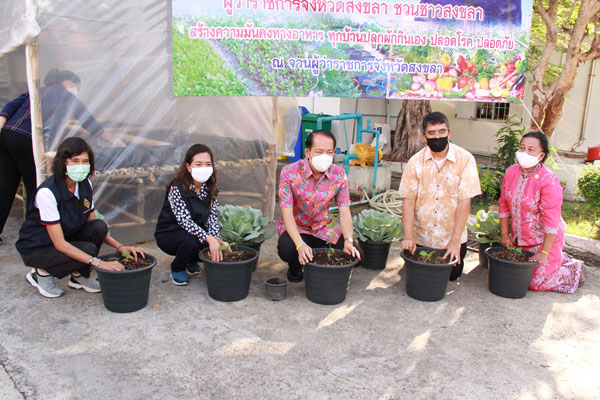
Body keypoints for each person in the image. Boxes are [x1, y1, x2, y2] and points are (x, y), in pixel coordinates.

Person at [16, 137, 145, 298]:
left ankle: (79, 276)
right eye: (75, 161)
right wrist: (99, 263)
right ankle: (41, 272)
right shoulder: (47, 193)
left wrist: (120, 247)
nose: (81, 166)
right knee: (88, 250)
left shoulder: (85, 185)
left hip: (66, 235)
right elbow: (59, 243)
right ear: (63, 163)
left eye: (85, 161)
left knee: (99, 226)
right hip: (38, 246)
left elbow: (92, 221)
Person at [0, 69, 105, 244]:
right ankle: (36, 232)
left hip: (6, 136)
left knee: (6, 186)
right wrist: (110, 137)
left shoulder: (35, 91)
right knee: (35, 186)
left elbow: (9, 108)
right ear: (66, 83)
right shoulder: (64, 94)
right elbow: (89, 121)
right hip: (26, 139)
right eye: (75, 86)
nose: (75, 90)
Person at [399, 111, 482, 280]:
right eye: (432, 133)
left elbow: (465, 202)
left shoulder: (465, 159)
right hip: (421, 237)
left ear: (449, 133)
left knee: (452, 276)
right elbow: (408, 201)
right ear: (424, 136)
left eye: (442, 132)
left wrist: (455, 241)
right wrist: (408, 237)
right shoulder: (415, 162)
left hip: (450, 238)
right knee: (420, 277)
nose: (437, 136)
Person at [499, 131, 583, 293]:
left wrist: (544, 251)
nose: (524, 153)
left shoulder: (548, 179)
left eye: (531, 149)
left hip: (544, 241)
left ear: (541, 155)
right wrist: (505, 234)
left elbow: (552, 220)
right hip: (521, 240)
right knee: (514, 277)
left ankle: (573, 271)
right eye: (522, 148)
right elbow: (503, 205)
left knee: (534, 283)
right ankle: (560, 258)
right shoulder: (511, 172)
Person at [277, 130, 361, 282]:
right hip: (297, 228)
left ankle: (316, 263)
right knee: (287, 249)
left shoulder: (338, 174)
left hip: (323, 227)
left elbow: (344, 212)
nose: (325, 156)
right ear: (307, 152)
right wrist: (299, 244)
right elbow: (287, 213)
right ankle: (295, 264)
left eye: (329, 152)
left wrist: (348, 240)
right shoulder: (289, 173)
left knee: (354, 256)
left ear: (334, 152)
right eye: (319, 151)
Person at [154, 144, 227, 286]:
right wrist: (208, 238)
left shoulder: (210, 188)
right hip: (170, 233)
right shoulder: (177, 188)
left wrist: (216, 238)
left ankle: (191, 260)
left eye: (208, 164)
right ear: (188, 167)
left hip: (193, 232)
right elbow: (184, 221)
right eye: (198, 164)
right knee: (194, 241)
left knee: (210, 241)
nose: (203, 168)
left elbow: (212, 217)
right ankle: (177, 268)